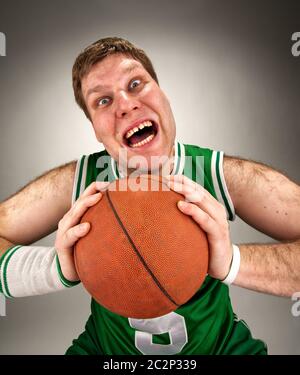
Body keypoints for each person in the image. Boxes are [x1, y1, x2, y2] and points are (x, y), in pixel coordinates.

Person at [0, 37, 299, 355]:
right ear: (94, 129)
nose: (125, 105)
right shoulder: (80, 184)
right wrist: (54, 267)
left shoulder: (219, 174)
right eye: (102, 101)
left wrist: (231, 261)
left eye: (136, 83)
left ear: (162, 94)